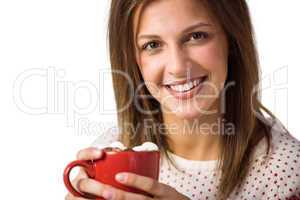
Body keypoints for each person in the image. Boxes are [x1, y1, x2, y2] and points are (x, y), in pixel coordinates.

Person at [65, 0, 300, 199]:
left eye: (196, 36)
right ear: (133, 60)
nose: (178, 67)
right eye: (153, 45)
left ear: (232, 40)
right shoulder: (111, 149)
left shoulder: (287, 172)